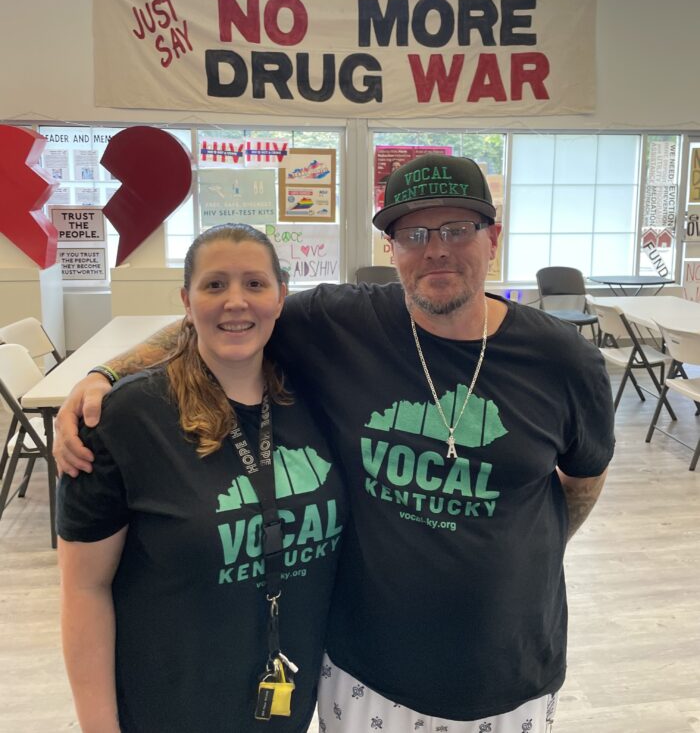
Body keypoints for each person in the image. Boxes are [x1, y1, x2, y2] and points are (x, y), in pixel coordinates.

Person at [56, 154, 614, 733]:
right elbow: (227, 314)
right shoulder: (342, 322)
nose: (436, 249)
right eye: (414, 233)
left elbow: (582, 482)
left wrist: (522, 551)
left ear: (492, 238)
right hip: (363, 671)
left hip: (511, 671)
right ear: (390, 247)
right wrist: (104, 375)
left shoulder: (564, 361)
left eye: (457, 229)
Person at [56, 223, 347, 733]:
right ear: (186, 301)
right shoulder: (125, 420)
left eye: (255, 284)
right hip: (169, 706)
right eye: (215, 285)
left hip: (285, 702)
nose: (236, 301)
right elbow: (84, 588)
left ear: (282, 297)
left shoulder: (315, 395)